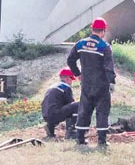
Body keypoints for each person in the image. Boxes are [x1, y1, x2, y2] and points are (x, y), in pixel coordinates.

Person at [67, 17, 115, 149]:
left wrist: (77, 74)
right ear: (103, 31)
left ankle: (80, 139)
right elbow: (108, 68)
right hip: (101, 86)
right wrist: (112, 83)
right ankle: (102, 141)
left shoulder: (80, 44)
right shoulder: (104, 47)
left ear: (92, 28)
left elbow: (70, 60)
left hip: (86, 84)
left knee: (84, 110)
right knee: (102, 112)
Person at [41, 67, 79, 140]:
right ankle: (71, 132)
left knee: (56, 108)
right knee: (76, 105)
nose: (71, 82)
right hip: (55, 114)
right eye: (71, 79)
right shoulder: (65, 87)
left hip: (46, 115)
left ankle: (50, 127)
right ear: (67, 78)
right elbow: (71, 104)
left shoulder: (52, 87)